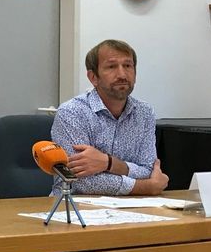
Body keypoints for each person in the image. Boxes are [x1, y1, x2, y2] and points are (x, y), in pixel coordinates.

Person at [50, 39, 168, 196]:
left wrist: (109, 163)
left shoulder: (144, 113)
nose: (122, 74)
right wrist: (146, 187)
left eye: (128, 66)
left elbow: (149, 171)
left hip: (133, 205)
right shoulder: (72, 112)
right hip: (75, 206)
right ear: (93, 77)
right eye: (112, 67)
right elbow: (79, 180)